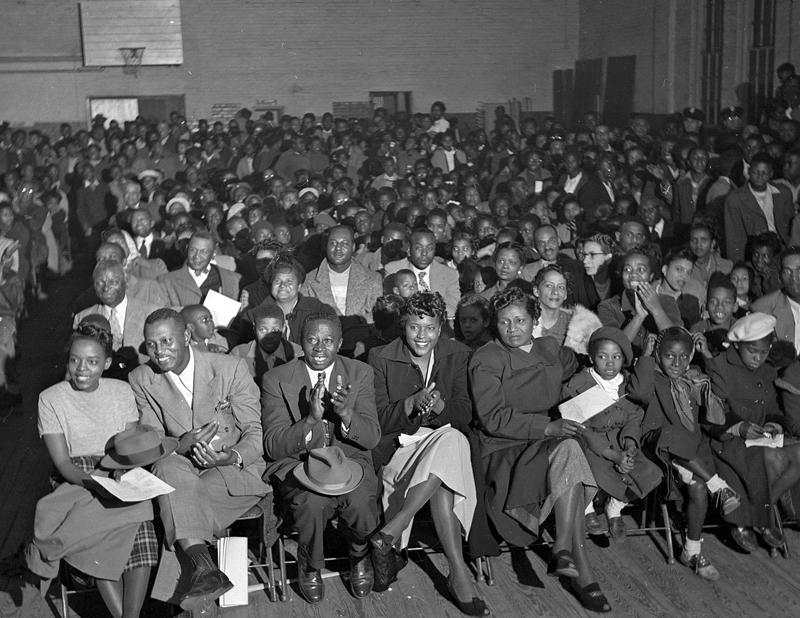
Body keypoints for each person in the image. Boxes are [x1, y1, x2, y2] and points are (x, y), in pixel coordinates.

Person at [469, 288, 610, 613]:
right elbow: (494, 418)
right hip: (507, 448)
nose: (513, 328)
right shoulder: (487, 357)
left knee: (571, 449)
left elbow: (574, 375)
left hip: (551, 441)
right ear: (495, 324)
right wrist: (548, 428)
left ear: (535, 321)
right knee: (570, 451)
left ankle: (566, 552)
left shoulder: (549, 347)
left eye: (520, 320)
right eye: (505, 322)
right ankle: (576, 563)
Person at [129, 308, 269, 609]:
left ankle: (197, 576)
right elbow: (154, 438)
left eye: (167, 341)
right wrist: (181, 444)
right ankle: (203, 573)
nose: (159, 351)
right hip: (180, 466)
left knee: (177, 502)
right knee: (167, 467)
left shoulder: (229, 368)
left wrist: (227, 456)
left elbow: (256, 435)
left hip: (232, 470)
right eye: (151, 344)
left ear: (188, 336)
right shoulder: (142, 378)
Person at [27, 324, 159, 618]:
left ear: (107, 363)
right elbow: (62, 463)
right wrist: (94, 483)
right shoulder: (51, 398)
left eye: (92, 361)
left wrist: (120, 478)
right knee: (98, 538)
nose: (81, 369)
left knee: (144, 537)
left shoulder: (122, 391)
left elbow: (128, 449)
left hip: (119, 471)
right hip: (76, 479)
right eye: (74, 360)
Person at [368, 292, 487, 614]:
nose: (423, 336)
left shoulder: (457, 354)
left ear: (441, 328)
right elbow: (376, 418)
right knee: (453, 449)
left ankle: (396, 529)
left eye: (430, 328)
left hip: (440, 439)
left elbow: (464, 413)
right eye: (414, 328)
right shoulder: (380, 356)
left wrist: (440, 407)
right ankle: (459, 575)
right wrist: (410, 404)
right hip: (401, 447)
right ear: (403, 326)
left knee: (452, 441)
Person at [261, 314, 380, 603]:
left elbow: (372, 438)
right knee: (311, 503)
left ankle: (358, 553)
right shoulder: (276, 378)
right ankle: (310, 564)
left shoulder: (360, 373)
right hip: (298, 463)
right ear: (300, 341)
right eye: (312, 340)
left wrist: (346, 414)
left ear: (339, 343)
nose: (319, 348)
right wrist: (311, 420)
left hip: (349, 461)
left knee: (362, 501)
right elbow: (274, 446)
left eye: (328, 341)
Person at [629, 327, 739, 581]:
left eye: (682, 357)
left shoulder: (693, 378)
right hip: (658, 447)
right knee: (672, 437)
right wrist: (646, 356)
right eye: (669, 356)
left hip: (690, 452)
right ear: (659, 354)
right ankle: (719, 486)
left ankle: (692, 550)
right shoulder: (653, 376)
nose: (676, 363)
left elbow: (722, 390)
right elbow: (639, 393)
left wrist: (708, 356)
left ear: (690, 357)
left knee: (698, 488)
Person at [561, 327, 662, 538]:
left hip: (619, 442)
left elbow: (634, 416)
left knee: (650, 474)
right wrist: (613, 455)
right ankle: (587, 507)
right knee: (591, 470)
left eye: (616, 357)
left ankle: (614, 507)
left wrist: (630, 446)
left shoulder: (626, 383)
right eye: (602, 356)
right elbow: (580, 426)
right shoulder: (579, 384)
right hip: (589, 444)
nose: (609, 363)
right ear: (591, 358)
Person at [704, 313, 789, 552]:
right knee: (755, 458)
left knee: (783, 456)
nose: (758, 358)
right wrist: (740, 427)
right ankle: (751, 521)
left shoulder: (766, 371)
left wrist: (774, 423)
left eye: (763, 352)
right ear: (738, 344)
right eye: (752, 351)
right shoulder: (721, 365)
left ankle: (763, 517)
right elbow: (713, 410)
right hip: (727, 438)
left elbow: (771, 404)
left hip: (759, 437)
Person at [73, 259, 160, 372]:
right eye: (99, 282)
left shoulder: (150, 313)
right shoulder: (82, 318)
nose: (106, 288)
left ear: (126, 282)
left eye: (113, 282)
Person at [597, 245, 681, 355]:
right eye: (627, 269)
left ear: (651, 276)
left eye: (641, 269)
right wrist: (639, 316)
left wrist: (657, 310)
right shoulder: (608, 307)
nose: (633, 274)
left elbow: (677, 344)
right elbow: (612, 351)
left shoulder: (667, 302)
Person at [240, 255, 336, 344]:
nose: (282, 285)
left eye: (289, 281)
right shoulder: (253, 316)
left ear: (299, 286)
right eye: (277, 281)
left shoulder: (319, 311)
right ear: (271, 285)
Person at [724, 152, 794, 263]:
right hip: (755, 255)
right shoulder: (734, 199)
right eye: (755, 172)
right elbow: (734, 240)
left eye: (764, 173)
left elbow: (791, 228)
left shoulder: (783, 193)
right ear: (748, 172)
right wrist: (739, 265)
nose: (760, 176)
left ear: (771, 174)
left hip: (782, 251)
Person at [384, 228, 460, 325]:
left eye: (430, 248)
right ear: (409, 248)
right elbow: (391, 306)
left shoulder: (449, 274)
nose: (424, 253)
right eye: (419, 248)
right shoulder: (393, 270)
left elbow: (453, 307)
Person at [159, 231, 241, 307]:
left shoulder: (232, 280)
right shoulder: (166, 281)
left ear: (213, 254)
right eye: (193, 250)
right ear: (187, 249)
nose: (197, 256)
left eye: (203, 252)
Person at [229, 303, 302, 384]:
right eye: (263, 330)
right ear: (254, 328)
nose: (269, 336)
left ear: (284, 328)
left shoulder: (297, 353)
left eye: (275, 330)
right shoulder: (239, 354)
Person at [751, 246, 800, 363]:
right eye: (787, 271)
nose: (794, 277)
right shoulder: (762, 308)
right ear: (779, 277)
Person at [690, 274, 738, 357]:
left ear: (735, 307)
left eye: (726, 302)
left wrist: (707, 354)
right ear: (706, 306)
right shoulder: (697, 330)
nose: (719, 306)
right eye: (713, 301)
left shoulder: (741, 330)